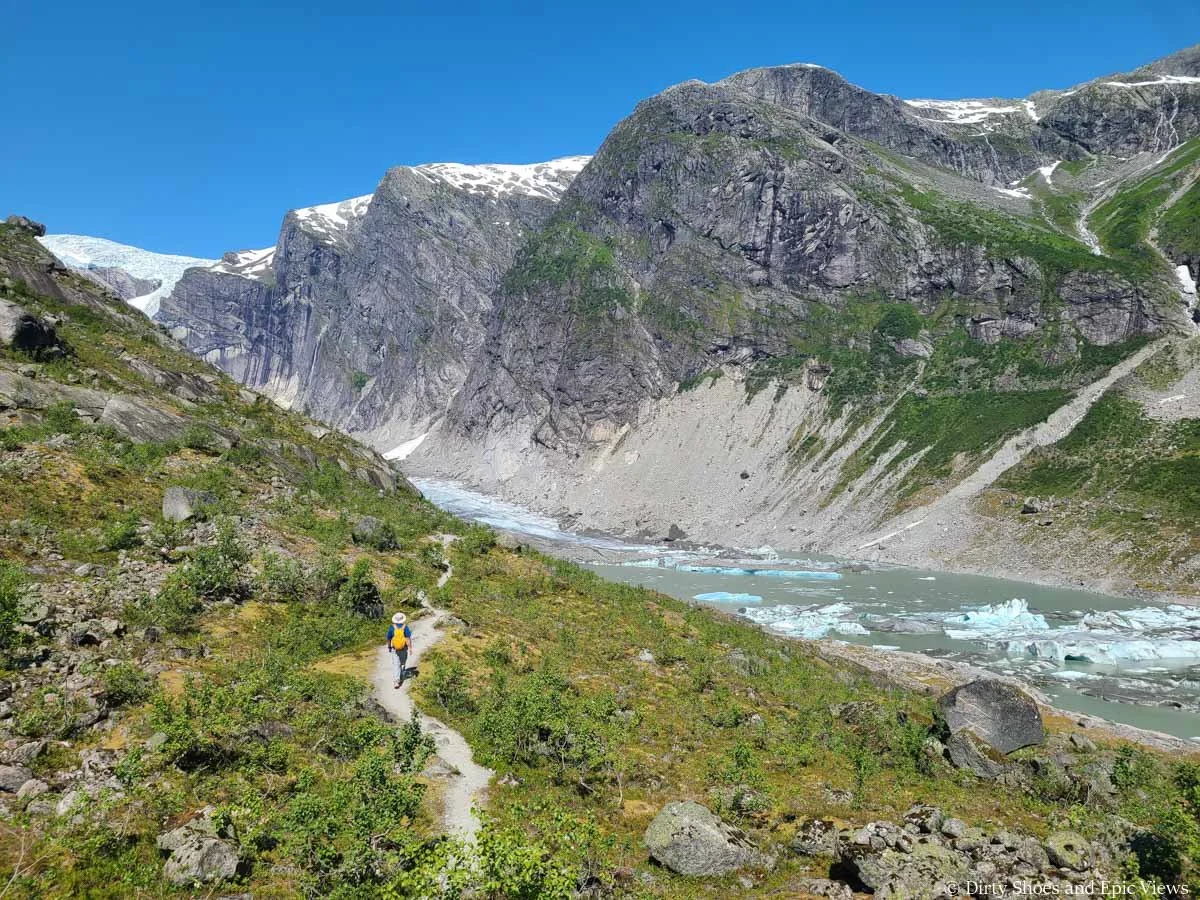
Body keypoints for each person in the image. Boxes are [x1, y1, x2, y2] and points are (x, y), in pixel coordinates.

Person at [387, 612, 413, 688]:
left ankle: (396, 681)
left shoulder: (392, 627)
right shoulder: (405, 627)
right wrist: (410, 648)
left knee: (396, 664)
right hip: (404, 648)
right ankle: (402, 672)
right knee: (403, 662)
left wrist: (389, 647)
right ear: (402, 620)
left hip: (394, 649)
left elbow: (389, 638)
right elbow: (408, 638)